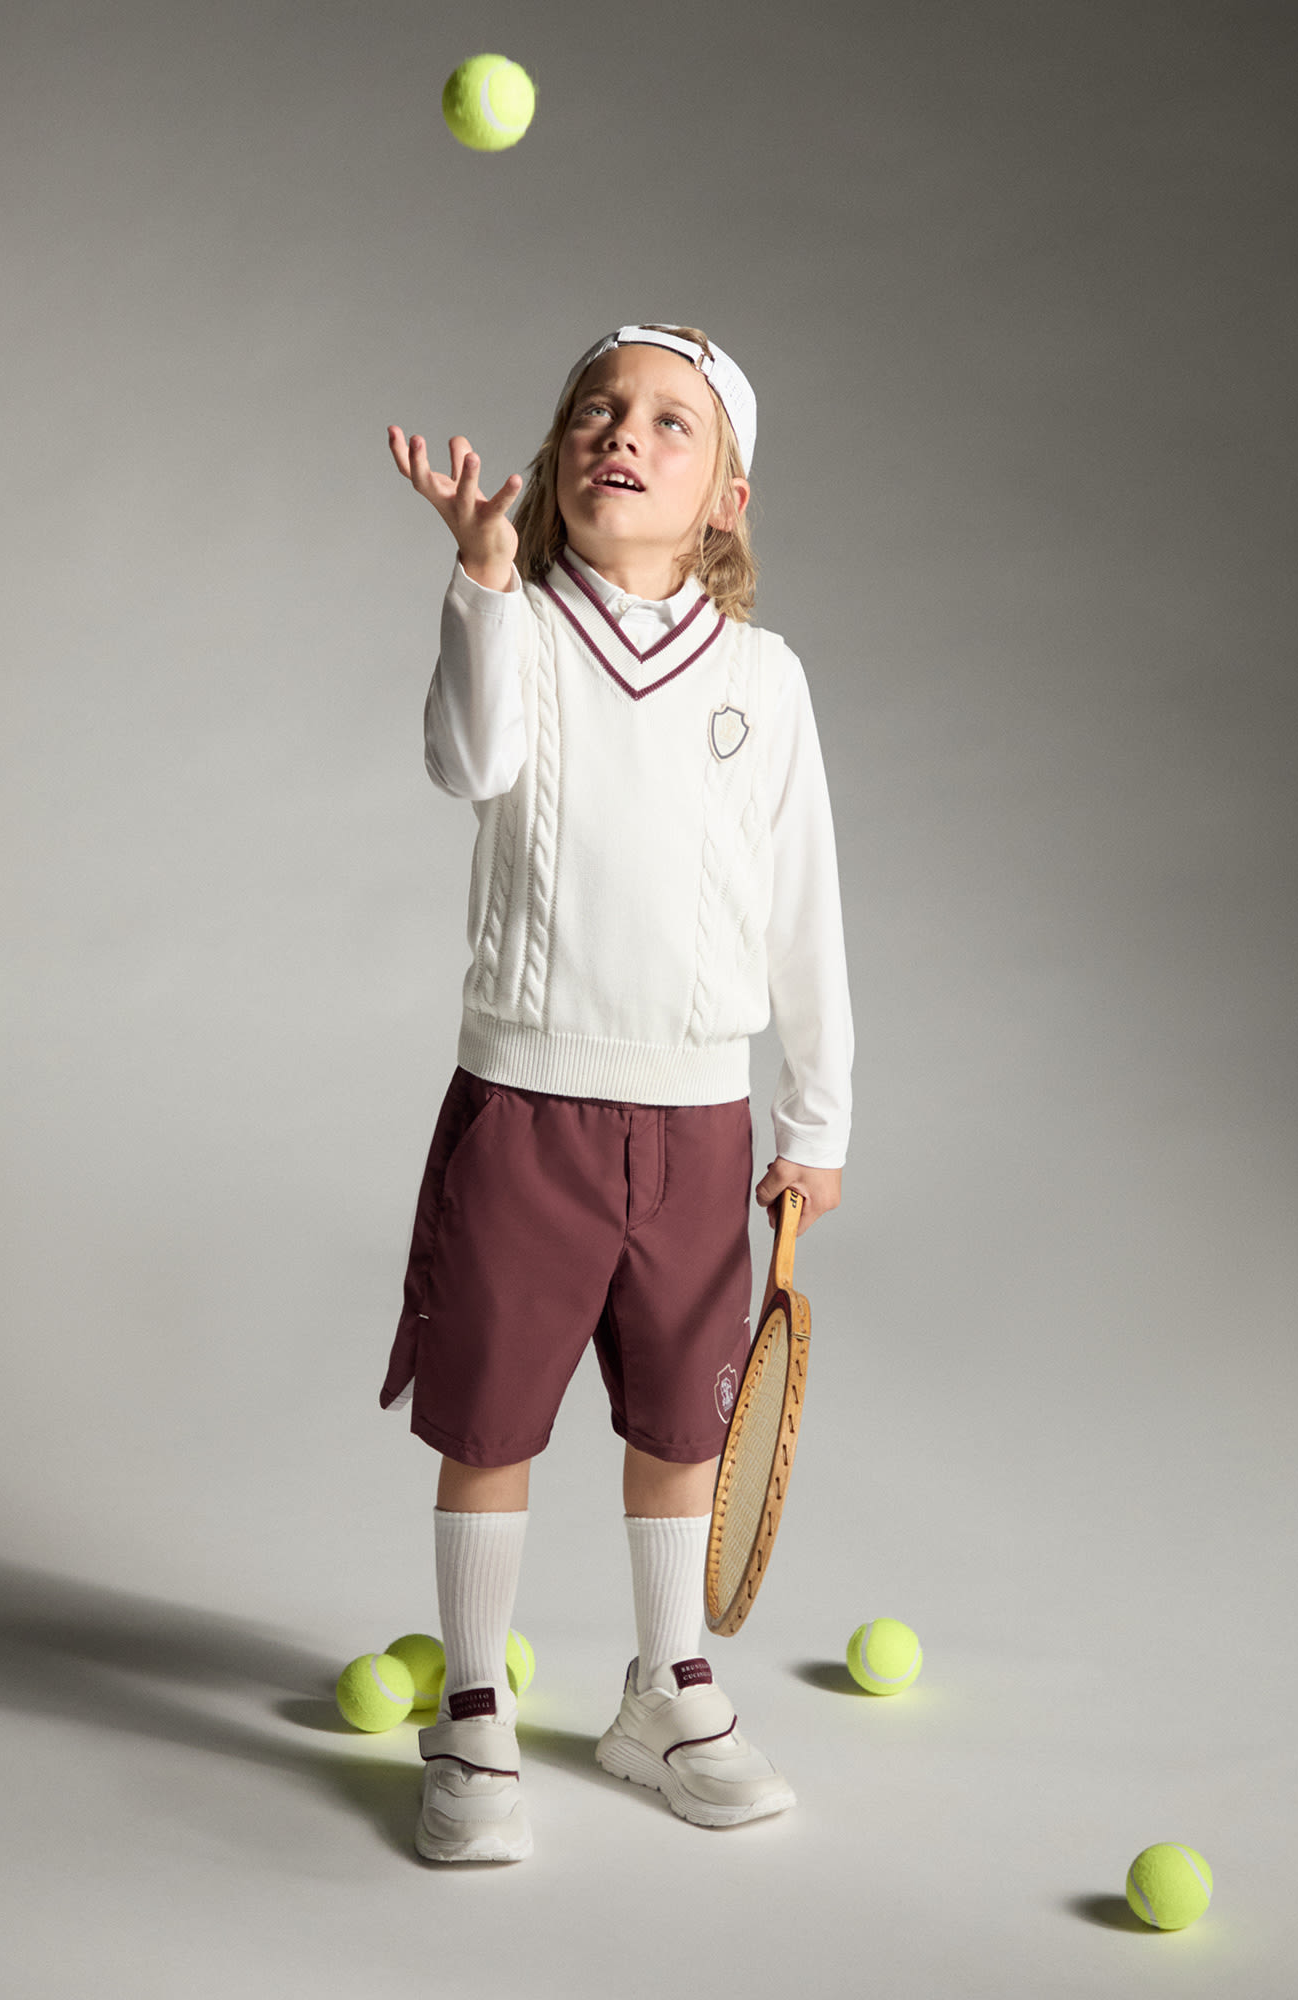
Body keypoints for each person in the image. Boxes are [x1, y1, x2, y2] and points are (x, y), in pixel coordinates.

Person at [381, 325, 852, 1863]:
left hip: (702, 1124)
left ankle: (672, 1689)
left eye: (668, 420)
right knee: (494, 1422)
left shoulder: (765, 681)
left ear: (727, 495)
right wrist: (480, 584)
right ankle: (472, 1719)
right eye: (596, 409)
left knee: (678, 1427)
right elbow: (465, 761)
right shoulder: (510, 623)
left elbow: (807, 910)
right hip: (527, 1106)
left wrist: (815, 1120)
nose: (621, 435)